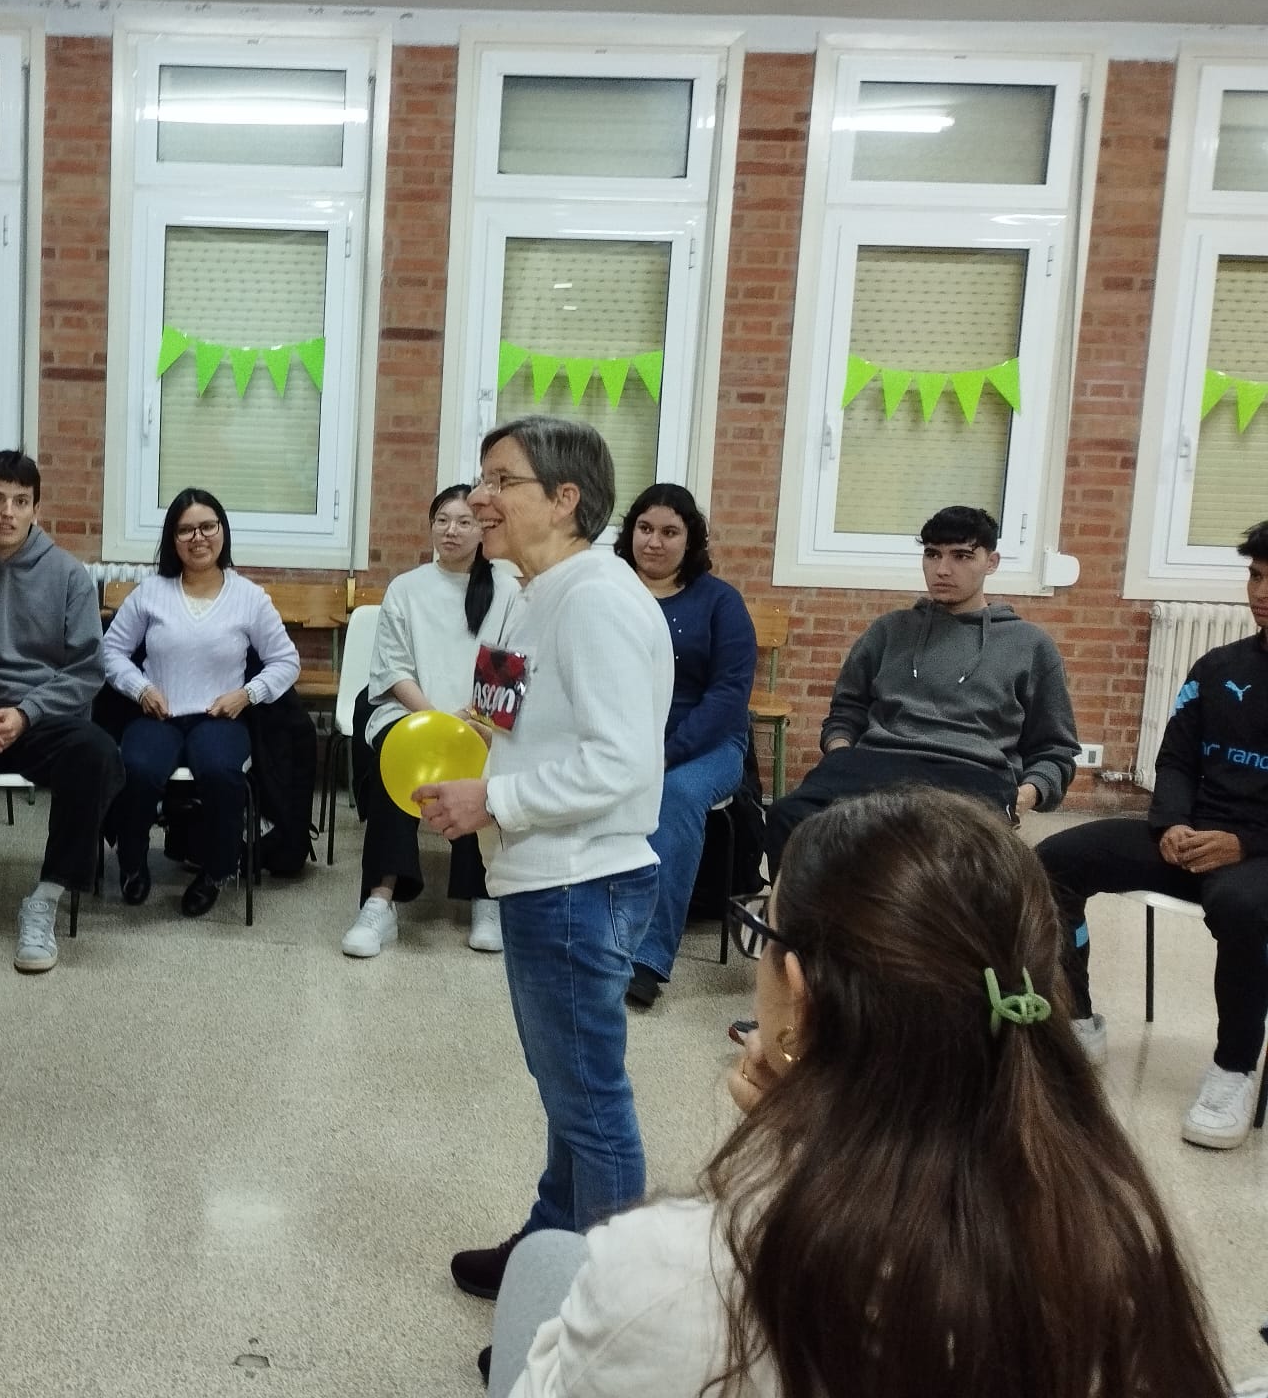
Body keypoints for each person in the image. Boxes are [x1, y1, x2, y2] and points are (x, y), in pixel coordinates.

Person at [489, 787, 1231, 1398]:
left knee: (547, 1263)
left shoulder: (673, 1268)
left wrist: (777, 1152)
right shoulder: (1119, 1235)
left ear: (800, 994)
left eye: (763, 932)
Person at [413, 416, 672, 1327]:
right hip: (540, 874)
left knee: (591, 1102)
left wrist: (496, 803)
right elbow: (514, 715)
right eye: (480, 478)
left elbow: (622, 762)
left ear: (566, 501)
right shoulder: (531, 591)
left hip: (579, 882)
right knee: (566, 1083)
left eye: (501, 481)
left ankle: (603, 1315)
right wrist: (468, 755)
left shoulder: (596, 597)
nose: (479, 498)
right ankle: (551, 1241)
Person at [1038, 519, 1268, 1151]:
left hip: (1256, 858)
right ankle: (1077, 1019)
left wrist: (1244, 843)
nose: (1262, 591)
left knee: (1244, 907)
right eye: (1256, 574)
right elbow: (1175, 760)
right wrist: (1170, 823)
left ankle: (1234, 1068)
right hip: (1189, 835)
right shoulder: (1219, 667)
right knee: (1052, 862)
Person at [763, 505, 1078, 874]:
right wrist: (839, 753)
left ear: (991, 562)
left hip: (972, 772)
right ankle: (816, 928)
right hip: (874, 762)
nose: (942, 569)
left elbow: (1055, 749)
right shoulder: (889, 630)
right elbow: (846, 711)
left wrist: (1022, 797)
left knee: (945, 861)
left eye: (961, 556)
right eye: (932, 554)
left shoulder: (1029, 645)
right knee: (790, 818)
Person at [0, 449, 124, 974]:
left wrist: (25, 713)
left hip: (37, 719)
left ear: (35, 510)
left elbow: (86, 670)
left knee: (95, 753)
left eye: (20, 501)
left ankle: (44, 900)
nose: (7, 511)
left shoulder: (69, 576)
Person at [101, 489, 299, 919]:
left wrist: (247, 694)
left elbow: (287, 661)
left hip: (219, 716)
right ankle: (132, 863)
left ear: (222, 532)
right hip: (159, 713)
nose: (198, 537)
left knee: (220, 773)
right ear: (172, 539)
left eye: (208, 526)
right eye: (186, 529)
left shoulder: (250, 596)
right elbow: (110, 652)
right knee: (136, 770)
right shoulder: (150, 593)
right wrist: (139, 688)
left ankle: (216, 870)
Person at [341, 482, 517, 958]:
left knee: (485, 760)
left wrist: (468, 722)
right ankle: (380, 901)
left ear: (484, 529)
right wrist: (436, 720)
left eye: (464, 521)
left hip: (483, 719)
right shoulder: (407, 587)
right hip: (411, 713)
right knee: (402, 754)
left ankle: (487, 895)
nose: (452, 530)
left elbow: (506, 669)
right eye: (442, 520)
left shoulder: (506, 588)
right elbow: (393, 670)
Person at [612, 483, 755, 1009]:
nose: (654, 542)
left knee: (672, 796)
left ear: (690, 539)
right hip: (621, 732)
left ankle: (647, 960)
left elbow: (728, 696)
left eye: (670, 531)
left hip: (704, 743)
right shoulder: (608, 591)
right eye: (644, 529)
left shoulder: (720, 602)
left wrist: (665, 752)